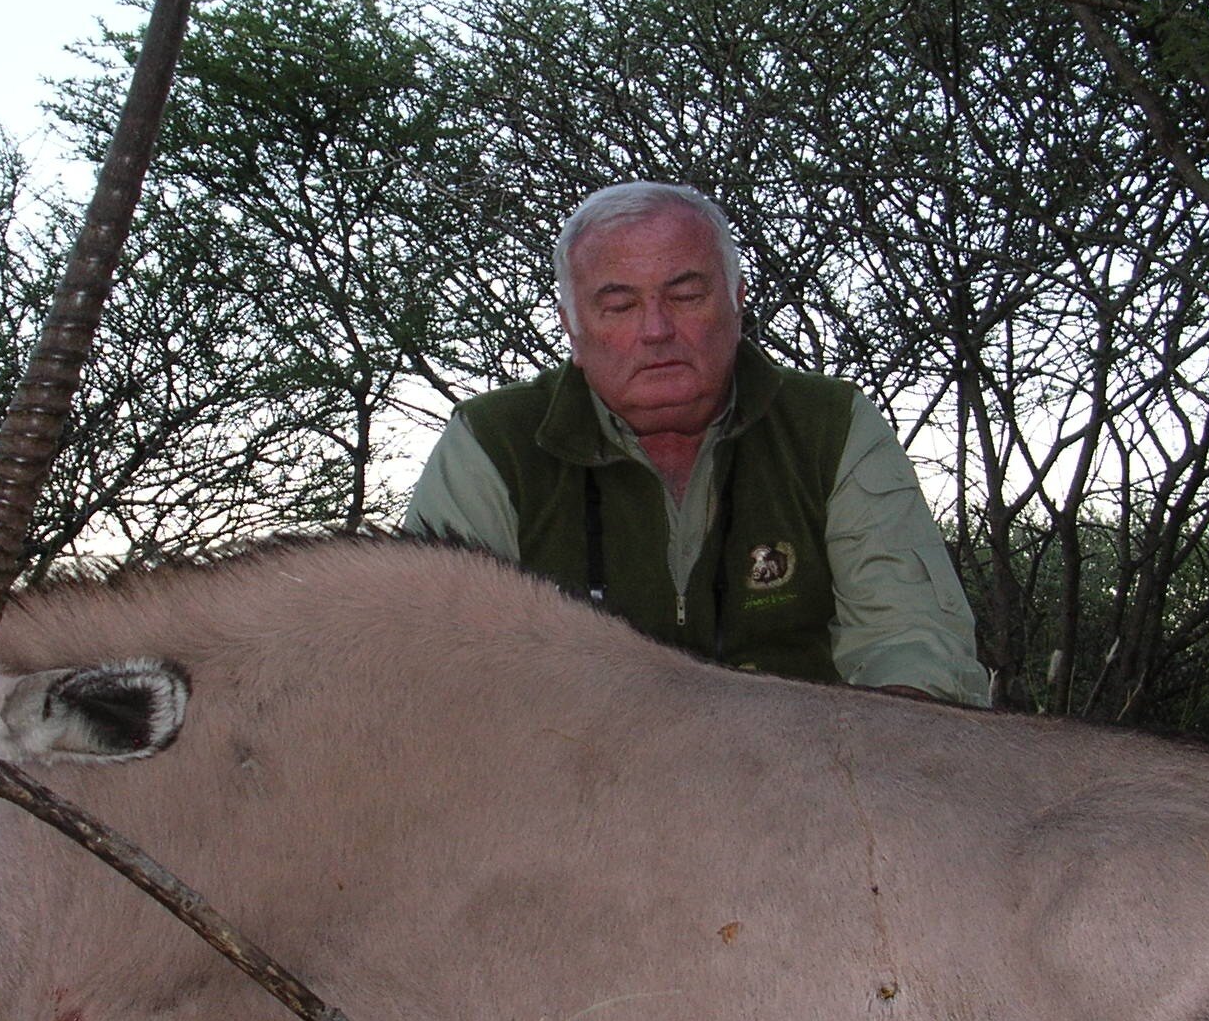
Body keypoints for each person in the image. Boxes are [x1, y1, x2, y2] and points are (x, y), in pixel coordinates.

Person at [405, 182, 992, 705]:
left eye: (685, 296)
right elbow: (437, 669)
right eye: (619, 305)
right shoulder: (492, 443)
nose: (656, 330)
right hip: (571, 790)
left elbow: (912, 643)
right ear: (572, 328)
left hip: (808, 781)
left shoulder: (830, 424)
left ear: (738, 301)